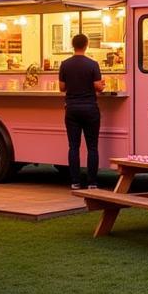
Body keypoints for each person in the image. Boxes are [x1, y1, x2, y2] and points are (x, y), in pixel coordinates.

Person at [58, 33, 105, 188]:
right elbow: (98, 87)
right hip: (90, 108)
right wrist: (102, 85)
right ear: (86, 45)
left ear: (73, 45)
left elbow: (62, 88)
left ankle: (75, 182)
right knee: (92, 146)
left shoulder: (65, 64)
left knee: (73, 146)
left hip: (71, 109)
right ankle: (92, 182)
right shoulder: (93, 64)